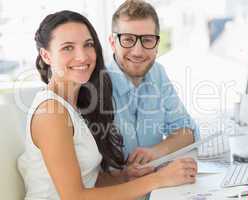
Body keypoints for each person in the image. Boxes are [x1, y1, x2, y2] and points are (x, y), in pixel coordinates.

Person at [17, 10, 197, 200]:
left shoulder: (75, 105)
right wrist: (158, 179)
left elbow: (89, 180)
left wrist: (124, 176)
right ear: (46, 56)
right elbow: (75, 197)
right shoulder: (51, 113)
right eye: (68, 48)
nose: (82, 56)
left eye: (88, 45)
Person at [107, 0, 200, 166]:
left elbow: (187, 131)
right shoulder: (96, 84)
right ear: (113, 43)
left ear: (157, 44)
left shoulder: (157, 73)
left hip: (155, 186)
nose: (138, 52)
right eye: (128, 40)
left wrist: (155, 153)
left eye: (147, 40)